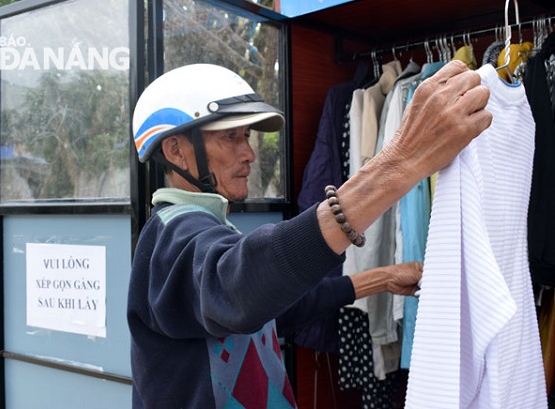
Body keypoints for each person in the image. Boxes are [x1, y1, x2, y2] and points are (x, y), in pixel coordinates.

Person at [127, 61, 491, 408]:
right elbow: (238, 287)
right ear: (175, 149)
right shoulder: (171, 236)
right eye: (230, 137)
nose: (250, 153)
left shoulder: (208, 227)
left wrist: (383, 278)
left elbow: (277, 308)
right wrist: (401, 163)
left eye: (247, 136)